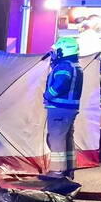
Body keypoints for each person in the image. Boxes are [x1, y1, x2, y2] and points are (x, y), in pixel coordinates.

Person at [42, 36, 83, 180]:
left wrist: (48, 95)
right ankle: (69, 169)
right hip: (69, 108)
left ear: (63, 51)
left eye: (57, 50)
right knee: (67, 138)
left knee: (56, 139)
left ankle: (57, 171)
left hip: (59, 108)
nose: (54, 53)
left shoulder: (64, 66)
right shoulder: (75, 66)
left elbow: (61, 83)